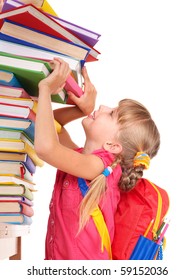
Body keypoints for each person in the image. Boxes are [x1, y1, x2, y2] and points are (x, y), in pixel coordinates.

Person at [34, 58, 160, 260]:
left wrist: (46, 90)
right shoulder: (81, 159)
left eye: (111, 114)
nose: (102, 106)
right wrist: (80, 110)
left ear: (113, 146)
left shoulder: (98, 167)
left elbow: (45, 148)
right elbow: (52, 124)